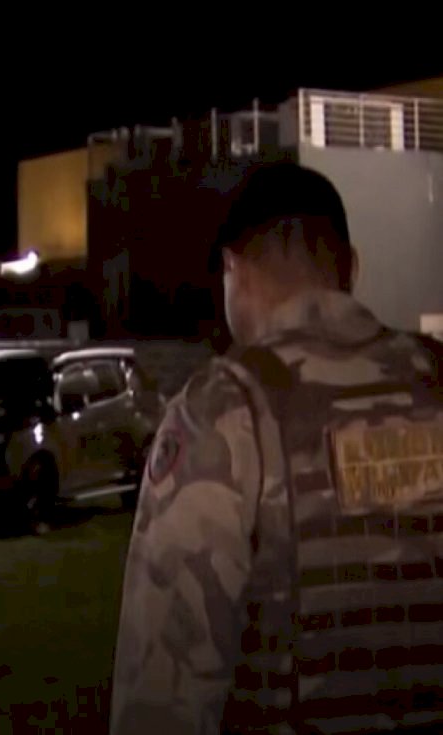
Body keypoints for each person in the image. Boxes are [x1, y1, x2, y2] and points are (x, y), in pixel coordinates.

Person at [110, 162, 443, 734]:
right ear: (352, 266)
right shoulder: (436, 379)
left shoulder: (223, 411)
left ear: (233, 270)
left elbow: (163, 690)